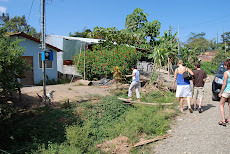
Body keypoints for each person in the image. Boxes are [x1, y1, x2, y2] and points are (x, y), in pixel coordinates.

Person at [218, 59, 230, 126]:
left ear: (227, 66)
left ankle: (223, 120)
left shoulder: (226, 73)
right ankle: (229, 119)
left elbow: (224, 83)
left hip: (227, 91)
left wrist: (221, 92)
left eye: (225, 65)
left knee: (221, 104)